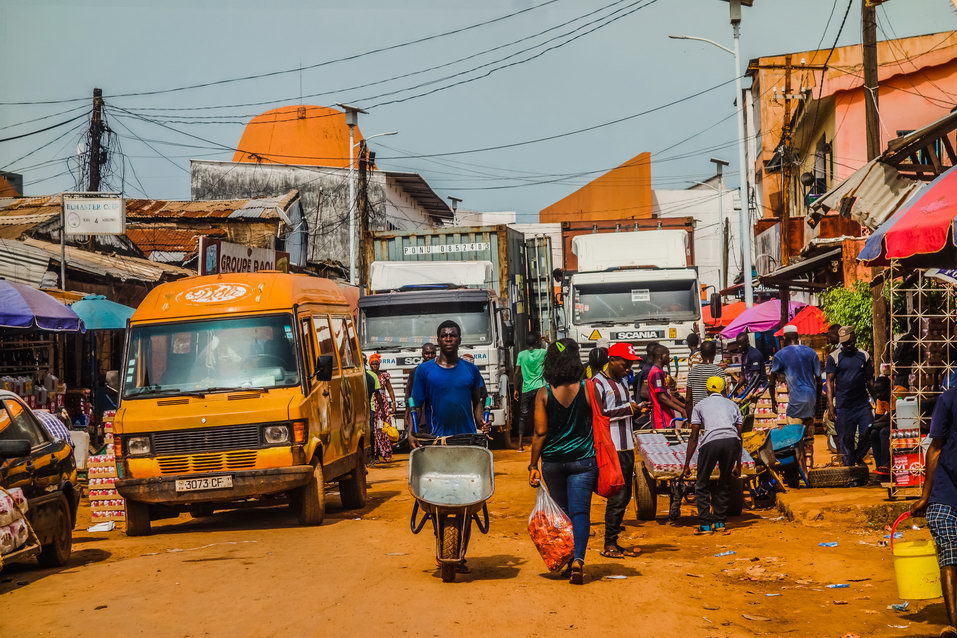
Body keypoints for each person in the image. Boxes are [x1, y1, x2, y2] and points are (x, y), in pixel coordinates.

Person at [528, 338, 596, 585]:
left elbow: (540, 433)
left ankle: (567, 560)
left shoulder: (543, 393)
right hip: (584, 460)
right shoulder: (588, 389)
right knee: (580, 512)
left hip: (553, 462)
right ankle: (578, 559)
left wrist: (533, 465)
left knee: (562, 514)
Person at [911, 386, 957, 638]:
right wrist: (925, 497)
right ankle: (953, 623)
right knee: (949, 551)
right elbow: (935, 447)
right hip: (946, 490)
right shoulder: (949, 398)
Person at [592, 342, 643, 559]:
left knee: (624, 495)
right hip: (610, 446)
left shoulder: (622, 381)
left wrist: (637, 411)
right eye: (625, 362)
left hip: (626, 445)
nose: (628, 367)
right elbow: (600, 413)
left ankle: (612, 540)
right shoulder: (597, 383)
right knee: (617, 494)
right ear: (612, 360)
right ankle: (609, 543)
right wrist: (628, 409)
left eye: (630, 363)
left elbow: (627, 409)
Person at [410, 320, 489, 447]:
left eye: (453, 335)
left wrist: (482, 423)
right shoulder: (424, 370)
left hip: (467, 438)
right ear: (438, 340)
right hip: (438, 438)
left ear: (459, 340)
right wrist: (411, 433)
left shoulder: (471, 369)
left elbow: (476, 402)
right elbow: (417, 407)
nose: (448, 339)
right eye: (444, 336)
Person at [680, 376, 743, 535]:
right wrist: (738, 464)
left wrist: (686, 464)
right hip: (731, 441)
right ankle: (720, 522)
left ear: (707, 390)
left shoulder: (700, 405)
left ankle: (705, 525)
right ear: (723, 389)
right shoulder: (732, 405)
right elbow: (739, 435)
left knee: (702, 484)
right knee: (724, 481)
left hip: (711, 443)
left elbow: (694, 436)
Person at [769, 325, 821, 470]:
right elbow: (818, 380)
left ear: (784, 338)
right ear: (797, 337)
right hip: (811, 399)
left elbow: (772, 379)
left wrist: (773, 401)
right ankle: (809, 465)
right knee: (809, 436)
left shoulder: (780, 355)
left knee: (795, 437)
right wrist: (816, 402)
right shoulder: (811, 353)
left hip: (796, 401)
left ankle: (800, 468)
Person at [826, 326, 875, 467]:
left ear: (854, 339)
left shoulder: (864, 356)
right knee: (846, 440)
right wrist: (831, 406)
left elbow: (870, 381)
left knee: (869, 430)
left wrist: (878, 401)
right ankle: (850, 472)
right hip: (843, 406)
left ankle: (859, 456)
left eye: (849, 342)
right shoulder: (833, 357)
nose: (847, 346)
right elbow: (830, 382)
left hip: (862, 405)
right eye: (844, 343)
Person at [514, 332, 547, 452]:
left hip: (526, 389)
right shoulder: (543, 352)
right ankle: (538, 441)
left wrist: (516, 389)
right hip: (540, 388)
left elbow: (517, 373)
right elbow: (557, 349)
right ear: (537, 342)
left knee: (523, 416)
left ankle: (520, 445)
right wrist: (547, 341)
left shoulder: (521, 355)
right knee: (539, 415)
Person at [648, 345, 686, 428]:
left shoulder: (660, 372)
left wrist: (683, 406)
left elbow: (668, 396)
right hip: (662, 420)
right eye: (668, 355)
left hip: (668, 418)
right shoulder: (656, 372)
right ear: (662, 356)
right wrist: (681, 410)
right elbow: (662, 397)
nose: (669, 358)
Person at [685, 340, 726, 413]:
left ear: (700, 354)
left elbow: (688, 399)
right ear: (714, 353)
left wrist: (690, 420)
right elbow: (723, 397)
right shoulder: (718, 371)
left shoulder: (692, 372)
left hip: (698, 414)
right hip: (714, 413)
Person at [369, 353, 395, 463]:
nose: (375, 366)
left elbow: (390, 389)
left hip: (383, 403)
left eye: (377, 364)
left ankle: (386, 452)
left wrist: (393, 402)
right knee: (375, 429)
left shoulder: (384, 375)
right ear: (370, 365)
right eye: (373, 364)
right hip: (373, 403)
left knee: (385, 427)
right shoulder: (368, 375)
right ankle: (375, 454)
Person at [406, 343, 437, 435]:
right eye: (427, 353)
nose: (430, 356)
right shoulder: (416, 371)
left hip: (437, 415)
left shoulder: (441, 369)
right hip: (421, 417)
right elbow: (409, 394)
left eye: (432, 353)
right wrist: (407, 417)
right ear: (422, 354)